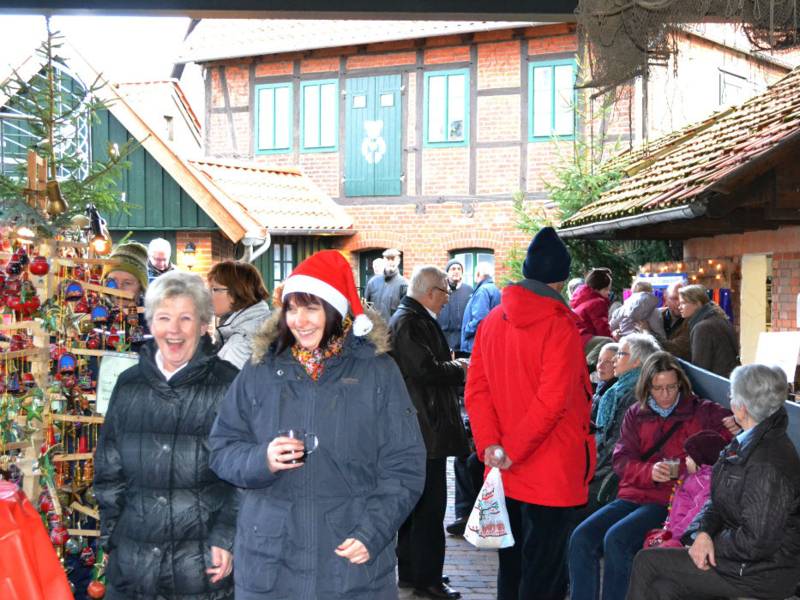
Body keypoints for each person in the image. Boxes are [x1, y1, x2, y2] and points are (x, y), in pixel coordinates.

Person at [208, 249, 426, 600]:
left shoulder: (377, 371)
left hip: (348, 560)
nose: (300, 321)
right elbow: (221, 449)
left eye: (311, 308)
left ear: (336, 311)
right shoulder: (259, 369)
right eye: (292, 308)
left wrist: (374, 531)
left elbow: (405, 465)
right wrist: (261, 459)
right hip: (270, 562)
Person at [466, 227, 596, 600]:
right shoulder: (560, 326)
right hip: (551, 472)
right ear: (560, 281)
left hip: (506, 471)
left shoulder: (492, 321)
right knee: (546, 577)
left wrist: (492, 446)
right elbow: (552, 403)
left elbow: (476, 390)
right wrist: (510, 450)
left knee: (512, 570)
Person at [94, 271, 239, 599]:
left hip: (201, 566)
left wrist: (226, 538)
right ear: (151, 324)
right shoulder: (129, 384)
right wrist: (114, 538)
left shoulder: (229, 385)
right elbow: (108, 470)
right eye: (164, 317)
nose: (174, 330)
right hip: (133, 564)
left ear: (203, 325)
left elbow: (243, 477)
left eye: (185, 318)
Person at [568, 351, 734, 600]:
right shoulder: (637, 413)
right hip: (634, 494)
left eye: (671, 387)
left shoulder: (702, 412)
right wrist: (650, 471)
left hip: (671, 501)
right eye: (658, 388)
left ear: (681, 384)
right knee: (581, 538)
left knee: (617, 540)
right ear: (647, 386)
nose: (665, 394)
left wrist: (736, 425)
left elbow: (725, 442)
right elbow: (621, 460)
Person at [627, 364, 800, 600]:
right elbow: (717, 499)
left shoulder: (767, 463)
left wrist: (711, 543)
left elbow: (757, 542)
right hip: (739, 561)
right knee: (662, 590)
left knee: (647, 561)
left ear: (741, 407)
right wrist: (702, 533)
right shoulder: (746, 442)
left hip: (760, 574)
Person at [390, 265, 469, 600]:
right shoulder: (411, 321)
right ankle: (427, 580)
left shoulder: (409, 318)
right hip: (424, 429)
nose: (448, 299)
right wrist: (460, 368)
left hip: (420, 427)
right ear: (430, 291)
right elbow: (423, 370)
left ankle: (415, 573)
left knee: (417, 508)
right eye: (445, 292)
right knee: (429, 509)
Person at [587, 334, 661, 516]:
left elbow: (618, 445)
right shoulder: (618, 388)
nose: (613, 359)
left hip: (615, 474)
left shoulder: (636, 394)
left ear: (636, 362)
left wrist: (588, 466)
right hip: (605, 464)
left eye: (620, 354)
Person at [641, 429, 728, 549]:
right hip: (673, 530)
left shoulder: (706, 484)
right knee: (649, 540)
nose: (685, 459)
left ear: (700, 460)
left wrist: (670, 535)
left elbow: (693, 517)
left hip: (682, 538)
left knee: (654, 549)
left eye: (689, 456)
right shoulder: (689, 475)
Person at [207, 260, 271, 369]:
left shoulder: (239, 346)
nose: (208, 295)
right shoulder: (262, 322)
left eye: (214, 289)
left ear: (235, 292)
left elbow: (224, 385)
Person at [678, 284, 739, 378]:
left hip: (716, 385)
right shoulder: (720, 319)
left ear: (697, 303)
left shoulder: (702, 327)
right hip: (730, 380)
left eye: (683, 303)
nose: (680, 307)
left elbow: (700, 369)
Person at [460, 262, 500, 355]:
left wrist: (466, 330)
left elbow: (480, 319)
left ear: (478, 274)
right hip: (487, 343)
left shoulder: (482, 291)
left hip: (475, 345)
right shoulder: (493, 288)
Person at [437, 258, 473, 355]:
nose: (456, 271)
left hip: (463, 341)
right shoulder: (441, 290)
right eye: (453, 269)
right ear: (447, 273)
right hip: (445, 340)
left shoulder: (469, 290)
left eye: (459, 269)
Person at [570, 268, 613, 347]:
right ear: (597, 289)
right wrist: (614, 342)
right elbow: (602, 329)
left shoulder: (583, 300)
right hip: (585, 339)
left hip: (576, 337)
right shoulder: (598, 302)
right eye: (606, 289)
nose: (609, 293)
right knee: (608, 342)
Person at [364, 248, 408, 322]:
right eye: (388, 259)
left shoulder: (404, 284)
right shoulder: (372, 282)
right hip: (375, 329)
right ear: (384, 260)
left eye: (393, 259)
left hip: (393, 331)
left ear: (398, 261)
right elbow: (366, 307)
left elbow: (405, 314)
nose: (390, 262)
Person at [657, 281, 690, 361]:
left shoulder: (692, 320)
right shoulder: (656, 315)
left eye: (683, 298)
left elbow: (677, 350)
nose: (679, 303)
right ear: (665, 297)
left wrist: (648, 332)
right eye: (674, 298)